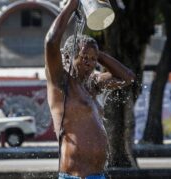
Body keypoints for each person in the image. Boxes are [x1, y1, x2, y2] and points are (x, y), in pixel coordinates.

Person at [44, 0, 135, 178]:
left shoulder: (93, 84)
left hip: (98, 175)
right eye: (84, 57)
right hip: (75, 176)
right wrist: (72, 5)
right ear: (69, 58)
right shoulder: (61, 82)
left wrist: (97, 53)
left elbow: (128, 77)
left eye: (93, 59)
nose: (90, 62)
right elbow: (51, 42)